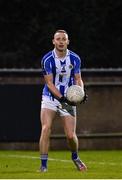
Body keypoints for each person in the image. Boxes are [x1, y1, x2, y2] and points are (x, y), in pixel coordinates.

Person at [39, 29, 88, 172]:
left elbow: (78, 79)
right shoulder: (47, 59)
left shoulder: (75, 58)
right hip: (50, 97)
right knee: (46, 128)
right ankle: (43, 166)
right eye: (58, 39)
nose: (61, 41)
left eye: (63, 39)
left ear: (68, 41)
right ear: (53, 41)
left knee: (71, 136)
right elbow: (49, 83)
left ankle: (75, 157)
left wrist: (81, 92)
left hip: (69, 99)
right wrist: (61, 99)